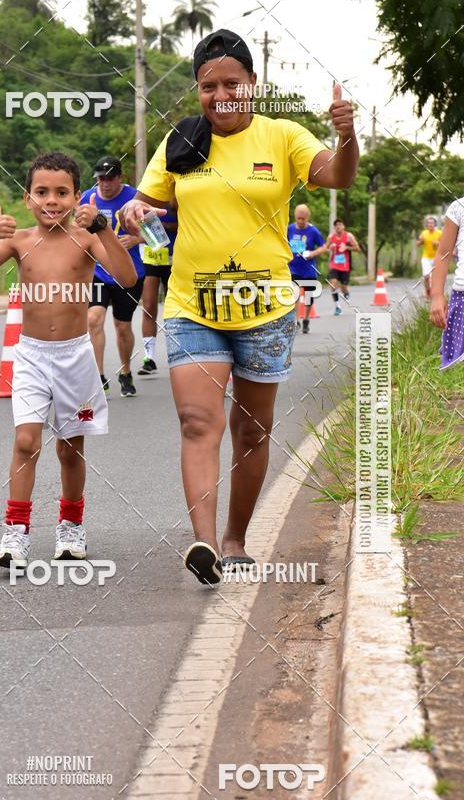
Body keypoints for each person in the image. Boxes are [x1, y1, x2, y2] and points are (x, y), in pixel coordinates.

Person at [119, 29, 359, 586]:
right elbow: (148, 204)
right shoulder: (181, 141)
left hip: (266, 310)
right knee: (197, 420)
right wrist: (135, 210)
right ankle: (202, 541)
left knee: (251, 431)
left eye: (232, 83)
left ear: (253, 84)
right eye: (209, 86)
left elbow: (337, 175)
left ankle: (235, 539)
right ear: (197, 90)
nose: (221, 94)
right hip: (192, 306)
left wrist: (347, 138)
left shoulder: (283, 137)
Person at [0, 151, 137, 568]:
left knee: (71, 449)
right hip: (32, 356)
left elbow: (127, 279)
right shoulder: (18, 240)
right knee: (26, 441)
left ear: (77, 197)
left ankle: (71, 526)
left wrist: (104, 228)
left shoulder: (86, 239)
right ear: (27, 198)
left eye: (61, 192)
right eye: (41, 193)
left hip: (76, 358)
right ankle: (15, 534)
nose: (50, 201)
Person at [80, 156, 145, 397]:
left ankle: (126, 372)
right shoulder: (88, 198)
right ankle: (98, 376)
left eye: (109, 179)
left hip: (129, 272)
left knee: (123, 326)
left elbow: (157, 235)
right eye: (100, 179)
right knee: (93, 319)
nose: (104, 184)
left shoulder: (136, 198)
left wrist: (137, 238)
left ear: (120, 178)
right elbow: (76, 232)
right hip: (97, 272)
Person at [138, 203, 178, 374]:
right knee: (148, 307)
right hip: (152, 257)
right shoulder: (149, 196)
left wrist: (166, 226)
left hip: (174, 259)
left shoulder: (177, 193)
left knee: (175, 310)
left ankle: (179, 355)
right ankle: (149, 358)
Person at [429, 198, 464, 369]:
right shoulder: (458, 208)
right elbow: (443, 253)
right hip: (462, 299)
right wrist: (436, 296)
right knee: (458, 371)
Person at [287, 204, 326, 333]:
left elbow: (323, 247)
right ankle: (297, 321)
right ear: (295, 216)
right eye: (299, 218)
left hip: (308, 269)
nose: (301, 221)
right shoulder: (289, 229)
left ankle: (306, 319)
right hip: (293, 268)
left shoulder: (313, 231)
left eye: (303, 219)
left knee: (309, 297)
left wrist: (312, 253)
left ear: (307, 217)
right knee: (295, 293)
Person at [326, 218, 361, 314]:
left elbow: (357, 248)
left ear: (343, 226)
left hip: (345, 266)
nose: (338, 226)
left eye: (340, 224)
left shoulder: (348, 236)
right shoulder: (331, 237)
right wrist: (330, 248)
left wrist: (347, 247)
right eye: (336, 225)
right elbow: (325, 248)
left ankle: (346, 293)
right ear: (334, 227)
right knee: (333, 285)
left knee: (343, 287)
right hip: (334, 265)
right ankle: (337, 307)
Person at [417, 214, 442, 299]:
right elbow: (418, 244)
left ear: (435, 224)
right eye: (428, 223)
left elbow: (444, 245)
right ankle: (427, 291)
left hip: (436, 258)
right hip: (426, 258)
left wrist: (438, 243)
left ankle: (433, 293)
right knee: (426, 277)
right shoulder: (424, 233)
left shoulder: (439, 233)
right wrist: (421, 241)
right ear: (427, 225)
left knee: (434, 278)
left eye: (432, 223)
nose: (430, 225)